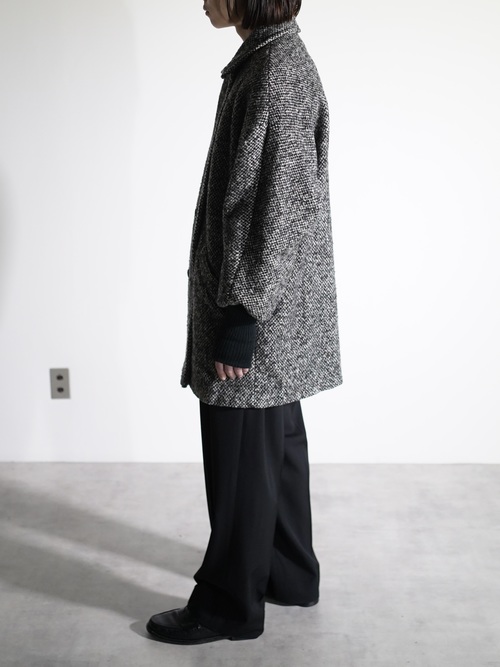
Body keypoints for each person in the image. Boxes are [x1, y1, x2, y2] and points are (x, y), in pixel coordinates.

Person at [146, 0, 342, 644]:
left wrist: (241, 317)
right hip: (275, 308)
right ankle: (288, 573)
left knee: (239, 461)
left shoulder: (274, 72)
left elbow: (274, 208)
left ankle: (228, 605)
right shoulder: (270, 60)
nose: (200, 0)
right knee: (274, 449)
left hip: (259, 312)